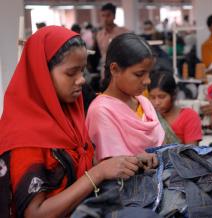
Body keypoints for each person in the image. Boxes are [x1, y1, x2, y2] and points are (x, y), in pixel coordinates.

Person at [0, 26, 156, 217]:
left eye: (82, 71)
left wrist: (126, 162)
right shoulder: (23, 136)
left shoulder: (68, 119)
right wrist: (99, 172)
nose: (82, 80)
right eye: (71, 72)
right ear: (42, 73)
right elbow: (35, 213)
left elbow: (75, 167)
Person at [86, 33, 165, 161]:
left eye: (149, 73)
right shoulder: (101, 111)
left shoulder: (144, 103)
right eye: (139, 74)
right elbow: (111, 167)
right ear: (115, 69)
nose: (148, 81)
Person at [148, 70, 202, 145]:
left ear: (173, 95)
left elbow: (191, 152)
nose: (157, 102)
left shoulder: (189, 117)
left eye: (162, 97)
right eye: (152, 97)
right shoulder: (149, 116)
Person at [96, 3, 128, 86]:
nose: (105, 19)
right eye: (103, 16)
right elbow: (102, 54)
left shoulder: (123, 32)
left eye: (108, 15)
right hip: (105, 71)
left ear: (114, 16)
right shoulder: (99, 35)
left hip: (121, 69)